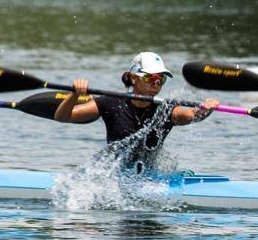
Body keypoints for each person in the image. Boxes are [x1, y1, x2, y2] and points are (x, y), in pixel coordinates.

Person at [53, 52, 219, 172]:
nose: (155, 84)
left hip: (150, 177)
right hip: (114, 174)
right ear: (133, 78)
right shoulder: (110, 102)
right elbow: (62, 116)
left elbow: (193, 115)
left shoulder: (165, 110)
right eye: (149, 78)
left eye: (160, 80)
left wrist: (205, 110)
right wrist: (74, 95)